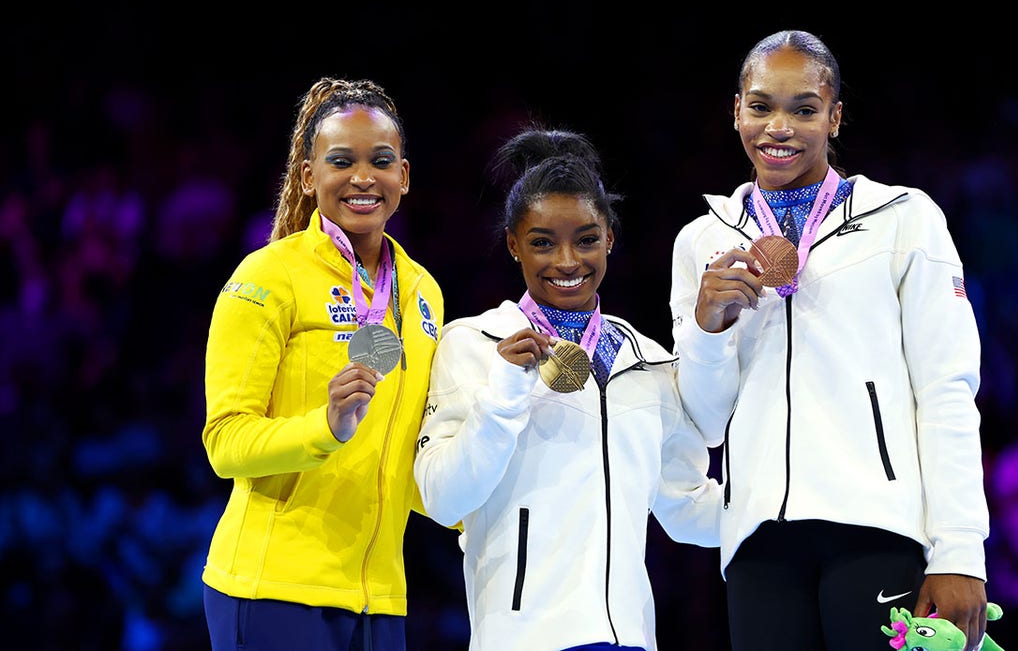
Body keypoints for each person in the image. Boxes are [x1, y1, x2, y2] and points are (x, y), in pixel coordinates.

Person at [668, 30, 991, 651]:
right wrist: (708, 329)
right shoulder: (700, 242)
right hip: (759, 543)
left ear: (834, 117)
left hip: (877, 529)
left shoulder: (903, 219)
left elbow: (947, 389)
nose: (778, 127)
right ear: (735, 110)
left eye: (804, 109)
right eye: (760, 106)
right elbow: (705, 421)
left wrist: (959, 549)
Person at [413, 126, 722, 651]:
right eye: (542, 243)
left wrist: (783, 503)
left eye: (585, 239)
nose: (566, 261)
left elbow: (686, 504)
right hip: (522, 638)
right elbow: (443, 499)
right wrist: (504, 395)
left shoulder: (648, 362)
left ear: (609, 239)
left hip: (629, 639)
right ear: (513, 244)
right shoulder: (472, 344)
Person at [200, 77, 444, 651]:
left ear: (403, 177)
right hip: (274, 589)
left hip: (380, 598)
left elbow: (406, 450)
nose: (363, 177)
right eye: (342, 161)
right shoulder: (267, 276)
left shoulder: (422, 293)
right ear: (309, 177)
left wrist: (472, 500)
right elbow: (225, 442)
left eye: (380, 161)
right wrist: (324, 428)